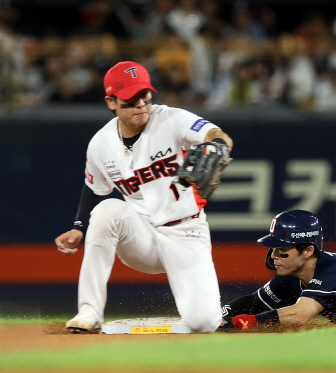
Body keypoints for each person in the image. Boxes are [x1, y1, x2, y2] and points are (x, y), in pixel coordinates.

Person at [54, 61, 233, 333]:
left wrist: (216, 146)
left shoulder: (171, 119)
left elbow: (217, 135)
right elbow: (95, 188)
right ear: (110, 102)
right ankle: (88, 313)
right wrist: (78, 227)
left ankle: (203, 314)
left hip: (186, 231)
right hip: (141, 236)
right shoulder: (100, 144)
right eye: (130, 99)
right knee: (107, 211)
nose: (140, 104)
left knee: (204, 323)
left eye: (144, 97)